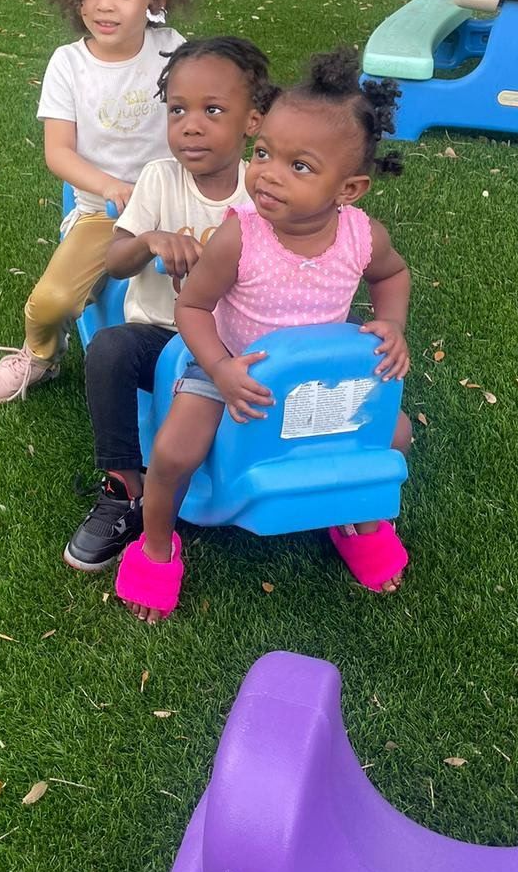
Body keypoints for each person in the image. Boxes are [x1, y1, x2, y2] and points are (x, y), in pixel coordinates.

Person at [114, 47, 413, 621]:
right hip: (231, 365)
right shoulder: (239, 238)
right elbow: (194, 308)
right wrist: (221, 370)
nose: (268, 174)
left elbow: (393, 274)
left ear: (348, 190)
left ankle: (357, 519)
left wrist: (391, 323)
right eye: (264, 153)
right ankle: (156, 546)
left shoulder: (362, 236)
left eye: (299, 166)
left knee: (393, 436)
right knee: (175, 452)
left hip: (321, 376)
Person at [0, 0, 200, 406]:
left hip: (180, 207)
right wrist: (112, 187)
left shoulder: (174, 51)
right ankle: (41, 356)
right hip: (107, 214)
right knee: (50, 303)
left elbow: (203, 120)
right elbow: (59, 153)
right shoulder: (69, 64)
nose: (105, 5)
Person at [63, 37, 276, 572]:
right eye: (177, 110)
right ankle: (123, 488)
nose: (191, 125)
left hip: (235, 340)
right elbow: (114, 263)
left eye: (213, 110)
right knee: (108, 350)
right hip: (160, 338)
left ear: (252, 121)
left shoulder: (263, 194)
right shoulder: (160, 179)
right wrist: (150, 240)